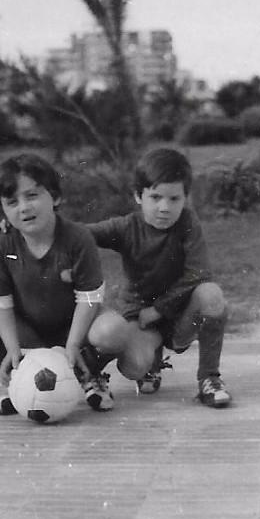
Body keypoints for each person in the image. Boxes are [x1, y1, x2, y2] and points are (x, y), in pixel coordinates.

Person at [0, 153, 113, 415]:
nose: (24, 207)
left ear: (56, 197)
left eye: (32, 196)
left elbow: (89, 297)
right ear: (3, 210)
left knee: (113, 331)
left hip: (72, 328)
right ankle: (24, 382)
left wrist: (73, 344)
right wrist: (12, 348)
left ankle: (88, 377)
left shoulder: (78, 238)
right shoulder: (1, 242)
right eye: (12, 202)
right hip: (27, 330)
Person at [84, 147, 231, 409]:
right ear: (138, 196)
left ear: (185, 198)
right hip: (141, 320)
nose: (164, 208)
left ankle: (210, 378)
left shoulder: (187, 222)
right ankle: (150, 363)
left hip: (178, 317)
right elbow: (79, 235)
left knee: (211, 295)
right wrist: (22, 228)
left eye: (174, 199)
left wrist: (160, 309)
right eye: (155, 197)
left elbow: (199, 273)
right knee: (133, 367)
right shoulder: (127, 227)